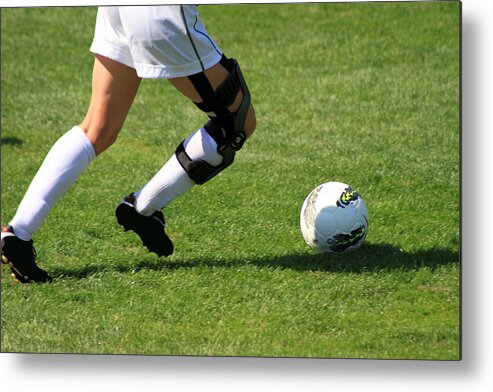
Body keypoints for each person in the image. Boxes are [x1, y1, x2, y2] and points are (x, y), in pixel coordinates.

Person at [0, 5, 256, 283]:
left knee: (98, 128)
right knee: (235, 123)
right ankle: (142, 208)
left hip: (119, 8)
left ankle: (17, 233)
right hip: (161, 13)